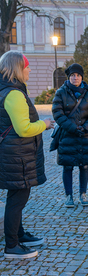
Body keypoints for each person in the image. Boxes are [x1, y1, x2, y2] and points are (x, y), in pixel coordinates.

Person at [0, 51, 54, 259]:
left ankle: (19, 235)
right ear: (18, 69)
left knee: (16, 197)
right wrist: (45, 124)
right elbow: (23, 129)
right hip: (17, 157)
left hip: (13, 155)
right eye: (27, 66)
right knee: (18, 199)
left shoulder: (7, 90)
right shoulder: (13, 94)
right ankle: (12, 245)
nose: (30, 69)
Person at [52, 63, 88, 208]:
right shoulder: (61, 92)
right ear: (69, 77)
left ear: (82, 77)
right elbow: (57, 113)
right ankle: (69, 196)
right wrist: (72, 127)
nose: (75, 78)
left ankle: (83, 194)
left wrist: (86, 127)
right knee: (67, 166)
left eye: (78, 75)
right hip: (67, 135)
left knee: (84, 166)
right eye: (72, 75)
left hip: (85, 136)